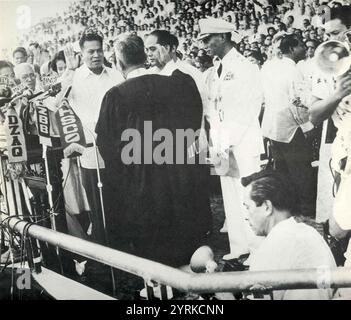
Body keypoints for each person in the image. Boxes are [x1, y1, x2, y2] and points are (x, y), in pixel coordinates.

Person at [96, 34, 212, 267]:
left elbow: (107, 145)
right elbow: (193, 123)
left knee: (152, 246)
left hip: (141, 179)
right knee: (182, 235)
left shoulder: (116, 95)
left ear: (119, 63)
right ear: (144, 56)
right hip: (178, 173)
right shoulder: (178, 83)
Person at [199, 18, 264, 261]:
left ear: (224, 37)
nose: (205, 45)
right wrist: (219, 139)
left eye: (208, 39)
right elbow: (211, 107)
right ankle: (239, 246)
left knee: (248, 195)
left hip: (242, 141)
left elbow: (250, 107)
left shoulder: (245, 66)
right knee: (230, 195)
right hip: (222, 140)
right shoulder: (215, 70)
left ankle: (257, 250)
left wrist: (229, 138)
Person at [242, 170, 337, 300]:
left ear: (266, 207)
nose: (246, 217)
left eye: (247, 207)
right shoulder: (310, 232)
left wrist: (222, 293)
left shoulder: (272, 247)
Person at [68, 27, 124, 245]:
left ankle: (125, 248)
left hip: (117, 150)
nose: (96, 55)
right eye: (90, 51)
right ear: (82, 53)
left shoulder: (116, 75)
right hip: (90, 152)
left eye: (99, 50)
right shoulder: (74, 79)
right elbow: (57, 104)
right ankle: (103, 249)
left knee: (119, 199)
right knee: (97, 204)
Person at [261, 33, 316, 218]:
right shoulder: (293, 70)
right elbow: (297, 101)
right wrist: (307, 126)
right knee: (301, 170)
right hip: (291, 126)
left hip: (272, 125)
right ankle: (306, 208)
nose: (304, 48)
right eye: (301, 45)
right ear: (292, 49)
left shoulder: (269, 67)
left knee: (282, 170)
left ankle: (288, 207)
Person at [310, 5, 351, 223]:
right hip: (344, 152)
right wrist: (338, 94)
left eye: (335, 33)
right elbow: (314, 116)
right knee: (339, 224)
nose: (329, 40)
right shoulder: (325, 65)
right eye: (327, 34)